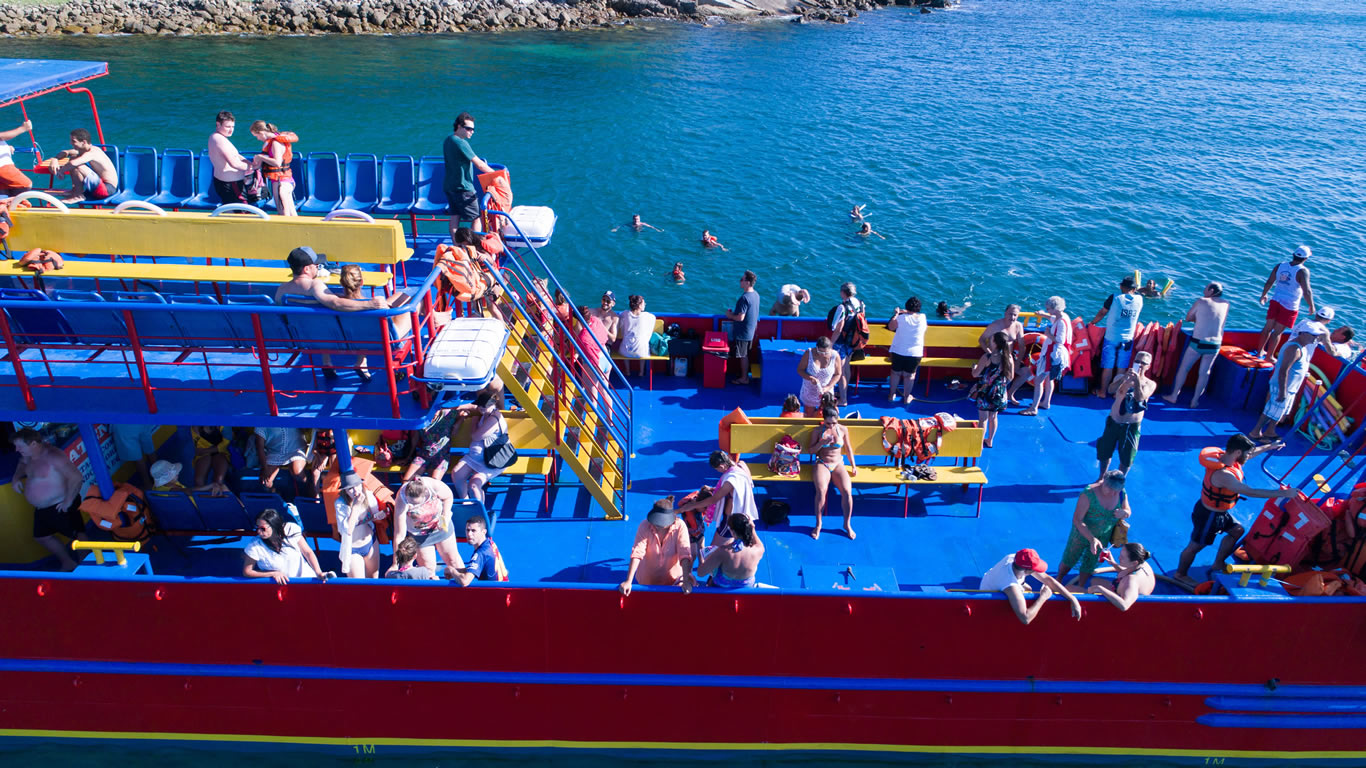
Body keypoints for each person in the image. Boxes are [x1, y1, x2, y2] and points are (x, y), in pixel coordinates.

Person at [1174, 434, 1296, 584]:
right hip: (1209, 516)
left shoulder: (1228, 458)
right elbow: (1251, 492)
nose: (1249, 455)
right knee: (1196, 546)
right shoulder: (1224, 475)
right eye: (1246, 453)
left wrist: (1269, 446)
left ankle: (1218, 563)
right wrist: (1284, 493)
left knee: (1237, 530)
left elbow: (1250, 453)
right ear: (1238, 452)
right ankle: (1180, 574)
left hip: (1219, 513)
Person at [11, 428, 85, 569]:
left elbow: (76, 477)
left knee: (78, 536)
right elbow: (21, 464)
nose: (16, 449)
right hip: (42, 509)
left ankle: (87, 566)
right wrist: (16, 478)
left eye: (20, 446)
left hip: (60, 504)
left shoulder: (54, 456)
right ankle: (68, 562)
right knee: (42, 537)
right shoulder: (28, 456)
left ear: (33, 444)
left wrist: (68, 501)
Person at [1056, 470, 1131, 588]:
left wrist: (1124, 513)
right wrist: (1091, 539)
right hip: (1082, 534)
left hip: (1103, 536)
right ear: (1103, 483)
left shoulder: (1120, 492)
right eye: (1111, 490)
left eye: (1116, 491)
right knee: (1070, 558)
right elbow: (1077, 520)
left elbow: (1128, 510)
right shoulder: (1089, 494)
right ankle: (1058, 579)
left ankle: (1080, 586)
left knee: (1089, 564)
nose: (1113, 494)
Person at [1249, 322, 1320, 443]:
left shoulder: (1300, 348)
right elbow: (1283, 371)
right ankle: (1255, 432)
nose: (1315, 338)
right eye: (1313, 335)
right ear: (1303, 334)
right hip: (1283, 387)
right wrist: (1282, 392)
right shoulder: (1294, 349)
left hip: (1290, 388)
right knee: (1270, 410)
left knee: (1279, 411)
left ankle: (1270, 431)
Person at [1163, 282, 1229, 407]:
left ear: (1211, 291)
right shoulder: (1226, 304)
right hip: (1215, 344)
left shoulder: (1201, 301)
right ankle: (1195, 401)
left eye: (1206, 287)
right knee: (1205, 372)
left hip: (1198, 342)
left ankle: (1174, 396)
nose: (1204, 289)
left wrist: (1198, 319)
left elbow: (1188, 318)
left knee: (1184, 369)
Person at [978, 548, 1082, 625]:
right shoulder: (1011, 586)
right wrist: (1043, 597)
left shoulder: (1014, 558)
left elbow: (1048, 580)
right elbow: (1025, 618)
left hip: (992, 581)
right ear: (1027, 571)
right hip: (988, 604)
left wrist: (1072, 599)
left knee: (1028, 589)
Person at [619, 496, 696, 596]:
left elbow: (684, 554)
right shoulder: (644, 525)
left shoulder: (680, 526)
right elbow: (637, 552)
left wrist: (686, 581)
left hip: (673, 581)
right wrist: (628, 581)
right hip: (647, 581)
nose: (657, 524)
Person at [1097, 350, 1156, 477]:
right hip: (1114, 421)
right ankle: (1101, 477)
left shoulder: (1150, 384)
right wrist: (1124, 379)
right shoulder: (1121, 377)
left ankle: (1120, 481)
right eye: (1137, 361)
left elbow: (1140, 398)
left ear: (1148, 366)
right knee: (1104, 452)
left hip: (1131, 426)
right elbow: (1110, 389)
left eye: (1143, 363)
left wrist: (1137, 382)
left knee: (1127, 458)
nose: (1139, 365)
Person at [677, 451, 758, 542]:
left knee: (714, 546)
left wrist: (692, 506)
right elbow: (735, 488)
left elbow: (713, 499)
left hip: (730, 518)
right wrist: (713, 489)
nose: (718, 471)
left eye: (717, 469)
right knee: (731, 542)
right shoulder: (741, 466)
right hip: (741, 513)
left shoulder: (730, 480)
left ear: (722, 466)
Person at [448, 391, 511, 506]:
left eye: (484, 406)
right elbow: (471, 406)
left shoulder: (494, 419)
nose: (480, 408)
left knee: (474, 484)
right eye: (480, 405)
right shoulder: (484, 411)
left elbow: (476, 436)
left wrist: (474, 421)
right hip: (474, 458)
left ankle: (479, 512)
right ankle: (466, 502)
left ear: (493, 405)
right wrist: (450, 408)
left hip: (492, 459)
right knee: (457, 474)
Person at [275, 247, 385, 310]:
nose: (318, 268)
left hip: (297, 337)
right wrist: (369, 304)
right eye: (316, 266)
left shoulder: (282, 289)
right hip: (321, 336)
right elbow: (335, 303)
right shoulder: (314, 285)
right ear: (307, 269)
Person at [392, 475, 462, 573]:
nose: (413, 506)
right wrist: (395, 564)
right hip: (419, 535)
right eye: (410, 502)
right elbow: (399, 535)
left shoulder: (433, 485)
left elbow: (448, 496)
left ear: (425, 493)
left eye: (416, 503)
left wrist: (445, 516)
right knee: (428, 570)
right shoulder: (401, 498)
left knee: (453, 561)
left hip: (440, 528)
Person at [1255, 245, 1316, 359]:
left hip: (1276, 300)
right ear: (1305, 259)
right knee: (1277, 332)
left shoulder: (1280, 266)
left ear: (1293, 255)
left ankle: (1260, 352)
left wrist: (1264, 295)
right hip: (1289, 305)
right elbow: (1307, 291)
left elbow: (1269, 282)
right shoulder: (1303, 271)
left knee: (1267, 328)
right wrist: (1311, 305)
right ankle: (1269, 356)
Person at [809, 404, 858, 540]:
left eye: (834, 423)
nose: (831, 426)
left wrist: (853, 465)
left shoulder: (843, 429)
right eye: (828, 423)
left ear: (838, 420)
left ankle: (847, 524)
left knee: (847, 492)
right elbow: (811, 451)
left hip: (838, 463)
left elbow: (848, 448)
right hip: (823, 462)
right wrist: (821, 442)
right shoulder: (817, 431)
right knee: (821, 491)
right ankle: (818, 524)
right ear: (823, 420)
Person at [443, 112, 496, 239]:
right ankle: (474, 248)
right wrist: (497, 175)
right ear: (459, 126)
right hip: (463, 187)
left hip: (450, 187)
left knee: (455, 217)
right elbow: (479, 164)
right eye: (468, 128)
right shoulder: (461, 143)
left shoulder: (448, 140)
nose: (472, 131)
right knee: (477, 218)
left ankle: (457, 245)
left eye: (473, 129)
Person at [1091, 275, 1144, 398]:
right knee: (1121, 367)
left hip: (1111, 338)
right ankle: (1116, 393)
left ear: (1121, 286)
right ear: (1134, 289)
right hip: (1128, 339)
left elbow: (1102, 312)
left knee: (1108, 367)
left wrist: (1093, 323)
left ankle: (1103, 392)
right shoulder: (1140, 300)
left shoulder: (1114, 297)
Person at [242, 508, 327, 585]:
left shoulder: (291, 530)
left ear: (274, 526)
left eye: (263, 528)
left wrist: (318, 572)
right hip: (281, 587)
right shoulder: (255, 545)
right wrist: (273, 573)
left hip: (307, 581)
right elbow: (247, 571)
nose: (259, 532)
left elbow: (307, 552)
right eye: (257, 528)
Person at [1020, 296, 1071, 416]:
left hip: (1052, 354)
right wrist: (1043, 315)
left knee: (1038, 381)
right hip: (1055, 354)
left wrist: (1048, 334)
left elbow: (1060, 340)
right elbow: (1053, 318)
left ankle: (1033, 408)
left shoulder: (1061, 323)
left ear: (1055, 308)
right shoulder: (1063, 317)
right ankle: (1046, 402)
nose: (1047, 310)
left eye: (1048, 308)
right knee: (1049, 379)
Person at [335, 470, 385, 579]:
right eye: (350, 489)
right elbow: (347, 530)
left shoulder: (368, 495)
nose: (355, 491)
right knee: (358, 584)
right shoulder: (340, 504)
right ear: (345, 491)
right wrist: (356, 506)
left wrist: (381, 515)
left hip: (370, 542)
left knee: (373, 580)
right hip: (352, 548)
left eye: (357, 486)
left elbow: (374, 516)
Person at [47, 128, 117, 203]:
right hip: (99, 186)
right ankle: (74, 191)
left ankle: (78, 195)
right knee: (73, 157)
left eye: (73, 141)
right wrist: (55, 159)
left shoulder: (92, 153)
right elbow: (66, 152)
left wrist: (60, 172)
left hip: (106, 190)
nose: (71, 143)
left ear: (83, 142)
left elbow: (73, 164)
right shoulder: (85, 150)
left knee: (77, 165)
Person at [698, 513, 765, 589]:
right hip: (745, 590)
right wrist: (752, 528)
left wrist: (706, 557)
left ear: (732, 531)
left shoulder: (723, 551)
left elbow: (700, 573)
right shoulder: (758, 550)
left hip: (721, 588)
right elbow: (757, 541)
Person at [971, 331, 1014, 448]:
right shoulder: (1009, 357)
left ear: (995, 343)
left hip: (985, 392)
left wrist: (974, 368)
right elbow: (1011, 377)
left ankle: (979, 443)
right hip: (999, 393)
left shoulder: (987, 357)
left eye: (991, 340)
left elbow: (975, 374)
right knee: (994, 416)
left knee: (983, 419)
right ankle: (990, 440)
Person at [1087, 542, 1155, 611]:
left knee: (1083, 589)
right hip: (1127, 590)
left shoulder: (1132, 580)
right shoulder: (1143, 563)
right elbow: (1127, 571)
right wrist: (1113, 563)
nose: (1119, 558)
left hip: (1124, 601)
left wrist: (1100, 589)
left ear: (1134, 563)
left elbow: (1124, 605)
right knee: (1094, 581)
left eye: (1122, 557)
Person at [828, 282, 866, 406]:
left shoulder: (842, 307)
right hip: (852, 342)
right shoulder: (860, 304)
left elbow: (837, 328)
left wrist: (831, 344)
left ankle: (843, 399)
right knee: (846, 367)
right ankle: (842, 392)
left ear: (843, 292)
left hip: (841, 343)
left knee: (840, 372)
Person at [249, 121, 297, 217]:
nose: (258, 139)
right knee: (290, 211)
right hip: (283, 180)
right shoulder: (271, 142)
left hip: (281, 182)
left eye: (256, 136)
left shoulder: (276, 143)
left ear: (261, 133)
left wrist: (260, 157)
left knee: (283, 212)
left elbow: (277, 163)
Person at [887, 297, 928, 404]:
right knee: (909, 376)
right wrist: (905, 312)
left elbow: (891, 327)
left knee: (895, 373)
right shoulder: (923, 318)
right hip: (915, 353)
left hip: (898, 351)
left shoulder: (900, 318)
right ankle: (906, 397)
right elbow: (914, 314)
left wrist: (896, 313)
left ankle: (891, 395)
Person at [207, 110, 253, 205]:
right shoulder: (219, 139)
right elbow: (234, 163)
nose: (231, 130)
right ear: (218, 124)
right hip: (231, 184)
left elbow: (236, 155)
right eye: (227, 127)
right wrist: (253, 168)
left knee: (231, 212)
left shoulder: (218, 137)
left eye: (233, 127)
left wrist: (248, 162)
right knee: (242, 214)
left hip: (227, 183)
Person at [446, 515, 509, 585]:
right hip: (503, 589)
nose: (469, 534)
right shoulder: (490, 544)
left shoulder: (480, 553)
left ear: (484, 532)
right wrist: (457, 571)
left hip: (493, 593)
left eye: (473, 531)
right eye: (467, 530)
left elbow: (464, 581)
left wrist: (452, 571)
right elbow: (479, 567)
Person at [724, 270, 760, 385]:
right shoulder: (756, 295)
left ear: (748, 283)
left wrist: (729, 315)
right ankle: (744, 375)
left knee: (743, 355)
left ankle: (744, 378)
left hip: (743, 333)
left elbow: (740, 317)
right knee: (745, 354)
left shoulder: (744, 298)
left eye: (742, 279)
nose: (740, 281)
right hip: (751, 331)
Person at [253, 426, 310, 497]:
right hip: (275, 452)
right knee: (265, 482)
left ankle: (310, 492)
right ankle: (275, 498)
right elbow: (260, 448)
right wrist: (264, 468)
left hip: (296, 448)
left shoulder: (290, 414)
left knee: (298, 473)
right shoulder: (261, 422)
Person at [796, 336, 843, 416]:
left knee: (827, 417)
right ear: (816, 348)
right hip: (809, 392)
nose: (823, 355)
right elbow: (800, 370)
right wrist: (810, 378)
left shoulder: (835, 356)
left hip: (826, 393)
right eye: (820, 352)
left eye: (826, 353)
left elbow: (838, 374)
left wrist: (828, 387)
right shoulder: (809, 353)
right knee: (809, 417)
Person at [617, 294, 657, 376]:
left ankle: (627, 371)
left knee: (625, 344)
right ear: (639, 305)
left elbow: (620, 318)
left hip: (625, 352)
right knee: (643, 345)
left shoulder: (625, 314)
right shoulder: (647, 316)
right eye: (643, 303)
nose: (645, 305)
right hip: (642, 352)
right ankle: (641, 372)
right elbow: (653, 318)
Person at [110, 423, 158, 488]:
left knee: (137, 457)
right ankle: (160, 476)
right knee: (149, 448)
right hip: (139, 419)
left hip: (122, 424)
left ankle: (147, 484)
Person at [191, 425, 231, 494]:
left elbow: (226, 444)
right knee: (198, 481)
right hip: (205, 453)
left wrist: (208, 450)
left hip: (221, 453)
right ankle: (202, 501)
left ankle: (216, 501)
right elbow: (198, 450)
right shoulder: (196, 426)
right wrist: (209, 451)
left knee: (219, 480)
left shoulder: (224, 426)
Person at [0, 119, 34, 195]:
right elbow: (1, 136)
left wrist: (5, 147)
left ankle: (5, 204)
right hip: (2, 166)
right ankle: (13, 202)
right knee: (26, 184)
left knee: (4, 190)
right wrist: (22, 129)